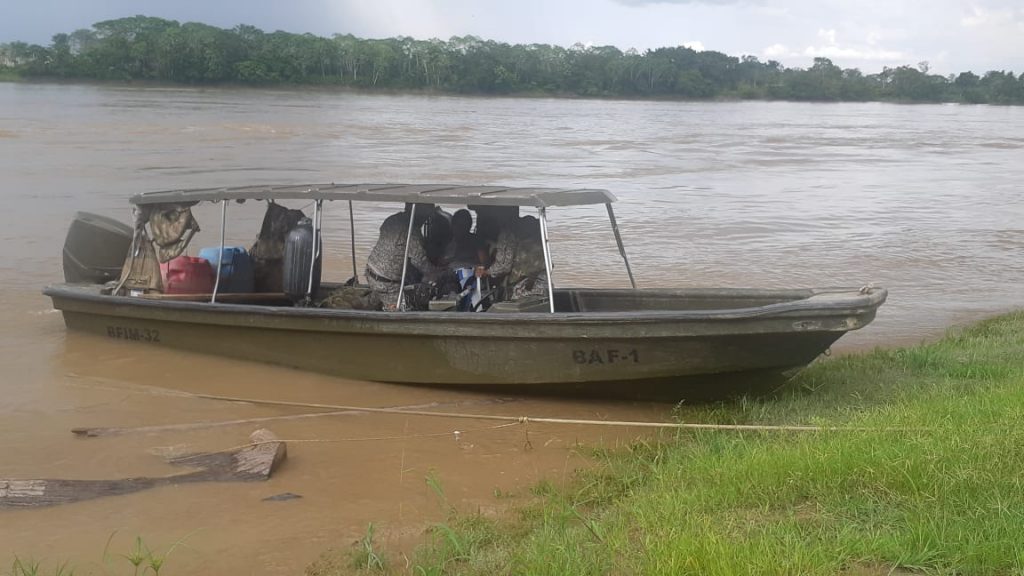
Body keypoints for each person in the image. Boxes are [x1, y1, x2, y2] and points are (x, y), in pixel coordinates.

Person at [365, 203, 446, 311]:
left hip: (371, 272)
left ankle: (372, 305)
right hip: (387, 284)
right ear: (420, 214)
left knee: (375, 303)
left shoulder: (393, 219)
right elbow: (419, 261)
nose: (425, 220)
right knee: (407, 309)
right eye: (426, 216)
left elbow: (396, 248)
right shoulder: (412, 231)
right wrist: (437, 272)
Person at [476, 214, 548, 301]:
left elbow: (504, 266)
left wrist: (486, 272)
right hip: (544, 284)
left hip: (522, 289)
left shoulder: (507, 233)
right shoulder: (535, 227)